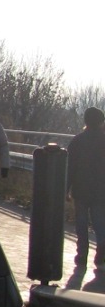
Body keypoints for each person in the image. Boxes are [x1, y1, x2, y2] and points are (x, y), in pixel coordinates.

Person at [67, 106, 105, 273]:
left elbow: (70, 167)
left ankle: (81, 255)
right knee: (100, 223)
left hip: (81, 189)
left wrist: (66, 188)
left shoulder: (77, 141)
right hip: (100, 190)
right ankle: (102, 255)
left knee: (81, 224)